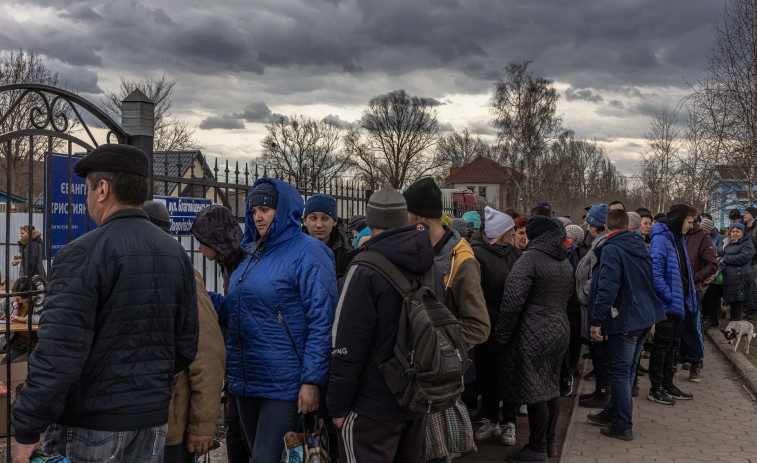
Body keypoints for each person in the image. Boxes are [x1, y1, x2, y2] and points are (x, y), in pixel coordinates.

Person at [11, 144, 199, 463]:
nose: (86, 200)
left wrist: (27, 431)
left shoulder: (81, 254)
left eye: (87, 189)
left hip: (90, 424)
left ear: (102, 189)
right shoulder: (176, 255)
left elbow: (58, 354)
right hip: (150, 422)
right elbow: (185, 345)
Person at [215, 178, 338, 462]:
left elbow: (322, 321)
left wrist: (311, 381)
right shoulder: (251, 253)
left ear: (283, 211)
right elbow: (238, 311)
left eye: (266, 209)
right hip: (246, 380)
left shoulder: (310, 252)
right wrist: (202, 297)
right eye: (254, 209)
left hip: (285, 383)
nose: (258, 216)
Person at [328, 187, 432, 463]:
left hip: (371, 406)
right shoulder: (428, 264)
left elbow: (347, 344)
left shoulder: (363, 269)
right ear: (404, 218)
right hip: (417, 398)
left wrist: (337, 405)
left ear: (370, 220)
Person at [403, 178, 489, 462]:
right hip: (413, 375)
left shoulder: (461, 259)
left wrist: (439, 349)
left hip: (442, 377)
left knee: (438, 452)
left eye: (405, 213)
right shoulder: (414, 251)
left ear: (418, 217)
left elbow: (478, 326)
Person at [143, 201, 226, 463]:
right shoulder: (122, 271)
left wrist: (201, 425)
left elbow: (208, 355)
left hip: (171, 429)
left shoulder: (185, 276)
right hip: (129, 423)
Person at [495, 216, 574, 461]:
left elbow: (511, 303)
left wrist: (502, 335)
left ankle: (536, 448)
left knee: (536, 390)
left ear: (533, 234)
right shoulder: (563, 261)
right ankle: (549, 443)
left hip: (533, 332)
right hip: (559, 329)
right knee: (550, 389)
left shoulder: (529, 259)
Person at [586, 210, 666, 441]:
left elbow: (607, 287)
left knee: (620, 373)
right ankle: (613, 413)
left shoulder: (612, 248)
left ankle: (622, 424)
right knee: (628, 369)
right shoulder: (638, 244)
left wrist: (596, 321)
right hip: (644, 316)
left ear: (607, 227)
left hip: (626, 319)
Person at [189, 204, 250, 463]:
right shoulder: (228, 261)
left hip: (249, 359)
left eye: (204, 242)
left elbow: (243, 313)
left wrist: (206, 299)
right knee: (235, 428)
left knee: (241, 431)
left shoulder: (243, 263)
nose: (201, 249)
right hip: (239, 357)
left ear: (217, 239)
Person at [470, 207, 521, 446]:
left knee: (511, 375)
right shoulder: (478, 255)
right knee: (488, 374)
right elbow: (475, 294)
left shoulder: (514, 253)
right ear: (499, 232)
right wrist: (495, 317)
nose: (515, 233)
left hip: (513, 327)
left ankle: (509, 421)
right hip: (488, 325)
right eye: (510, 229)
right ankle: (490, 418)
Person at [648, 204, 697, 405]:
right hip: (667, 304)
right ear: (679, 220)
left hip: (677, 304)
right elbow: (654, 273)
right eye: (689, 221)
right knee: (661, 347)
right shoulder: (661, 239)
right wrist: (669, 297)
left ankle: (668, 384)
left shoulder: (676, 239)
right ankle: (655, 388)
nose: (691, 226)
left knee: (672, 347)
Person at [575, 203, 611, 409]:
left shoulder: (602, 244)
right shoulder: (598, 242)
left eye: (590, 221)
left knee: (601, 353)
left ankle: (603, 393)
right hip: (591, 306)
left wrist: (583, 294)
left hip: (594, 307)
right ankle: (600, 391)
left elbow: (597, 277)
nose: (587, 224)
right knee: (598, 352)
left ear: (596, 224)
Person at [682, 219, 718, 382]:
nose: (689, 225)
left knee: (692, 326)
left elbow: (712, 265)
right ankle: (675, 361)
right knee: (673, 327)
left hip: (692, 290)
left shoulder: (701, 236)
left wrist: (693, 278)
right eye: (686, 221)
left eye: (691, 221)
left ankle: (696, 362)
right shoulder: (671, 234)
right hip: (673, 289)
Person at [303, 193, 351, 278]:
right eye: (313, 218)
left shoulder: (346, 255)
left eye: (325, 218)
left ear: (334, 221)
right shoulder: (293, 251)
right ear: (305, 221)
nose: (319, 225)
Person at [0, 276, 42, 364]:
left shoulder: (39, 302)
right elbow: (1, 306)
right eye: (14, 296)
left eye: (18, 299)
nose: (14, 300)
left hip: (36, 345)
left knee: (16, 366)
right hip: (19, 343)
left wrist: (23, 319)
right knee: (4, 365)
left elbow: (44, 318)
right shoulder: (13, 297)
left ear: (30, 296)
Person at [720, 222, 754, 322]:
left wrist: (725, 258)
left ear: (742, 233)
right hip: (728, 276)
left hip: (740, 277)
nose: (735, 233)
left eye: (738, 231)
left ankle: (736, 325)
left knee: (737, 302)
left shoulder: (747, 244)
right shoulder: (727, 242)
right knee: (731, 300)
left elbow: (742, 258)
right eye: (733, 231)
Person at [700, 218, 724, 328]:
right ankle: (707, 317)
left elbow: (712, 260)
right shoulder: (703, 239)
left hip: (713, 275)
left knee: (712, 298)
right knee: (708, 298)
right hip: (708, 274)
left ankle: (712, 318)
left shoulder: (709, 242)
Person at [741, 206, 757, 319]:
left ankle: (754, 310)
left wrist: (751, 255)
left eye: (746, 213)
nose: (744, 215)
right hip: (744, 261)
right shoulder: (743, 228)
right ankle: (748, 308)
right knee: (746, 285)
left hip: (754, 261)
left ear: (752, 215)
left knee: (754, 286)